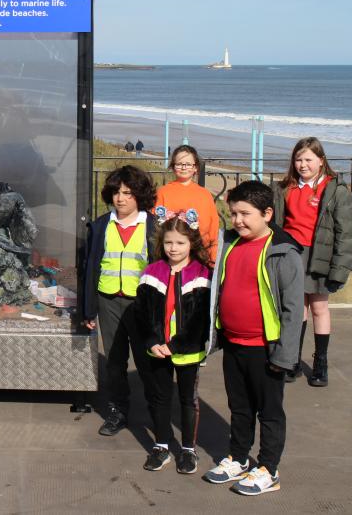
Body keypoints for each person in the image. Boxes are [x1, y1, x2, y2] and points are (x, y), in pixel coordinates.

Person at [202, 181, 303, 496]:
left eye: (245, 214)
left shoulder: (283, 252)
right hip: (234, 344)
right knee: (239, 406)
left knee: (269, 411)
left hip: (266, 350)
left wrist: (284, 356)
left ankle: (269, 469)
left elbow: (293, 309)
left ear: (267, 213)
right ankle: (238, 457)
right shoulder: (230, 243)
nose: (237, 221)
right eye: (233, 213)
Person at [82, 165, 158, 437]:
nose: (121, 198)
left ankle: (157, 409)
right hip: (108, 300)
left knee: (147, 359)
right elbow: (91, 267)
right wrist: (89, 309)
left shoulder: (152, 226)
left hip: (141, 305)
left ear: (140, 195)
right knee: (115, 360)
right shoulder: (101, 225)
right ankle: (118, 410)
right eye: (116, 192)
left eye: (127, 193)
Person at [274, 137, 352, 386]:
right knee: (297, 309)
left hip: (321, 255)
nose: (303, 164)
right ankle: (292, 361)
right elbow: (276, 223)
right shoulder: (285, 188)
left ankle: (321, 363)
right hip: (292, 255)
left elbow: (346, 233)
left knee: (319, 308)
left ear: (321, 161)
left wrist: (339, 270)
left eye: (308, 159)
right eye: (298, 159)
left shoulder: (336, 190)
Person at [137, 209, 212, 475]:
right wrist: (153, 340)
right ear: (161, 243)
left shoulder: (202, 273)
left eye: (180, 243)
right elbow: (143, 312)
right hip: (157, 348)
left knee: (188, 399)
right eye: (168, 242)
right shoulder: (151, 272)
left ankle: (188, 450)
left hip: (187, 351)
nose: (173, 248)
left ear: (191, 243)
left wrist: (177, 344)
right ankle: (161, 445)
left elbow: (201, 318)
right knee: (159, 398)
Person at [155, 145, 221, 253]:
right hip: (170, 252)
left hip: (200, 253)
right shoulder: (163, 192)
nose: (184, 167)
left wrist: (213, 255)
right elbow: (156, 226)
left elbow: (213, 229)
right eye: (179, 164)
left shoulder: (205, 194)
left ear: (195, 167)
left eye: (188, 164)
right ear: (173, 166)